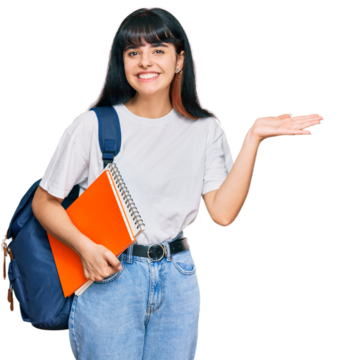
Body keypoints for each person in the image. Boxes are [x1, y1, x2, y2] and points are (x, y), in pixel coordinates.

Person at [31, 5, 325, 360]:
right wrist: (84, 248)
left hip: (177, 276)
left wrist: (253, 137)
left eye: (158, 50)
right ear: (121, 63)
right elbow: (44, 203)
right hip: (109, 277)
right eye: (133, 52)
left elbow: (223, 213)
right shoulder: (91, 126)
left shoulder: (205, 131)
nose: (145, 61)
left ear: (179, 61)